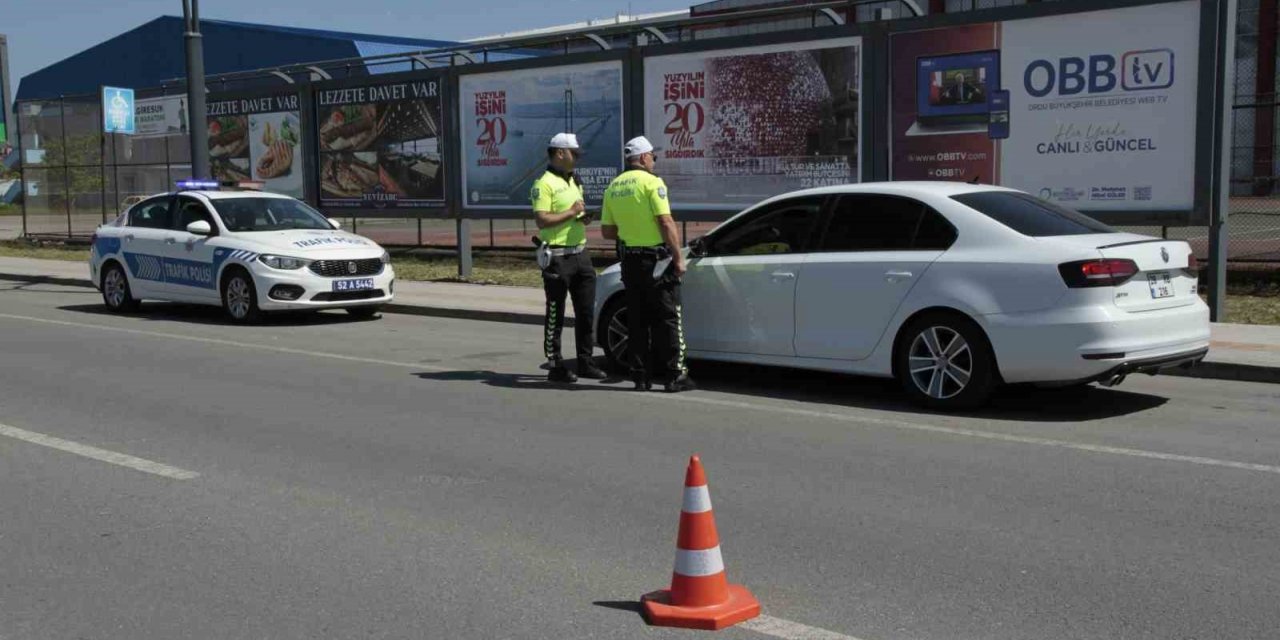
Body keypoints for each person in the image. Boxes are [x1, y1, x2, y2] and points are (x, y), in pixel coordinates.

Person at [600, 136, 695, 393]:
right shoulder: (653, 183)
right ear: (643, 157)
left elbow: (607, 231)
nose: (654, 160)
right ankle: (675, 375)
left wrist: (631, 228)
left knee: (637, 319)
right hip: (657, 261)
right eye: (653, 156)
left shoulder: (614, 187)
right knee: (667, 317)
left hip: (629, 261)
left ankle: (640, 376)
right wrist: (678, 258)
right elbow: (666, 222)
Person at [530, 132, 606, 383]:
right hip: (558, 257)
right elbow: (542, 219)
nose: (577, 158)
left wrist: (582, 217)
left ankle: (586, 361)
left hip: (580, 254)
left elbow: (572, 213)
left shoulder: (575, 180)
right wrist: (571, 211)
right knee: (556, 312)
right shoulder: (544, 184)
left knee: (586, 312)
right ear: (560, 153)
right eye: (574, 153)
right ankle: (555, 364)